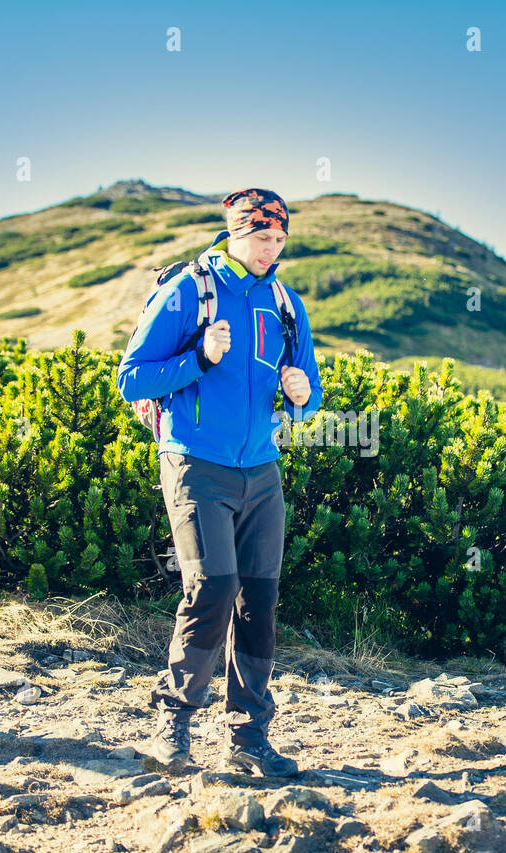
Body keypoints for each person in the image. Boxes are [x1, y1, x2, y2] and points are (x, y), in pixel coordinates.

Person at [116, 187, 323, 777]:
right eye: (262, 238)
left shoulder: (285, 301)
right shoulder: (190, 290)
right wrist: (198, 360)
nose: (271, 249)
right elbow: (132, 379)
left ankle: (248, 736)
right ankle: (173, 724)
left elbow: (308, 378)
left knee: (258, 599)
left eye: (280, 239)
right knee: (212, 587)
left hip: (261, 470)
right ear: (235, 232)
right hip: (195, 462)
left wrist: (305, 396)